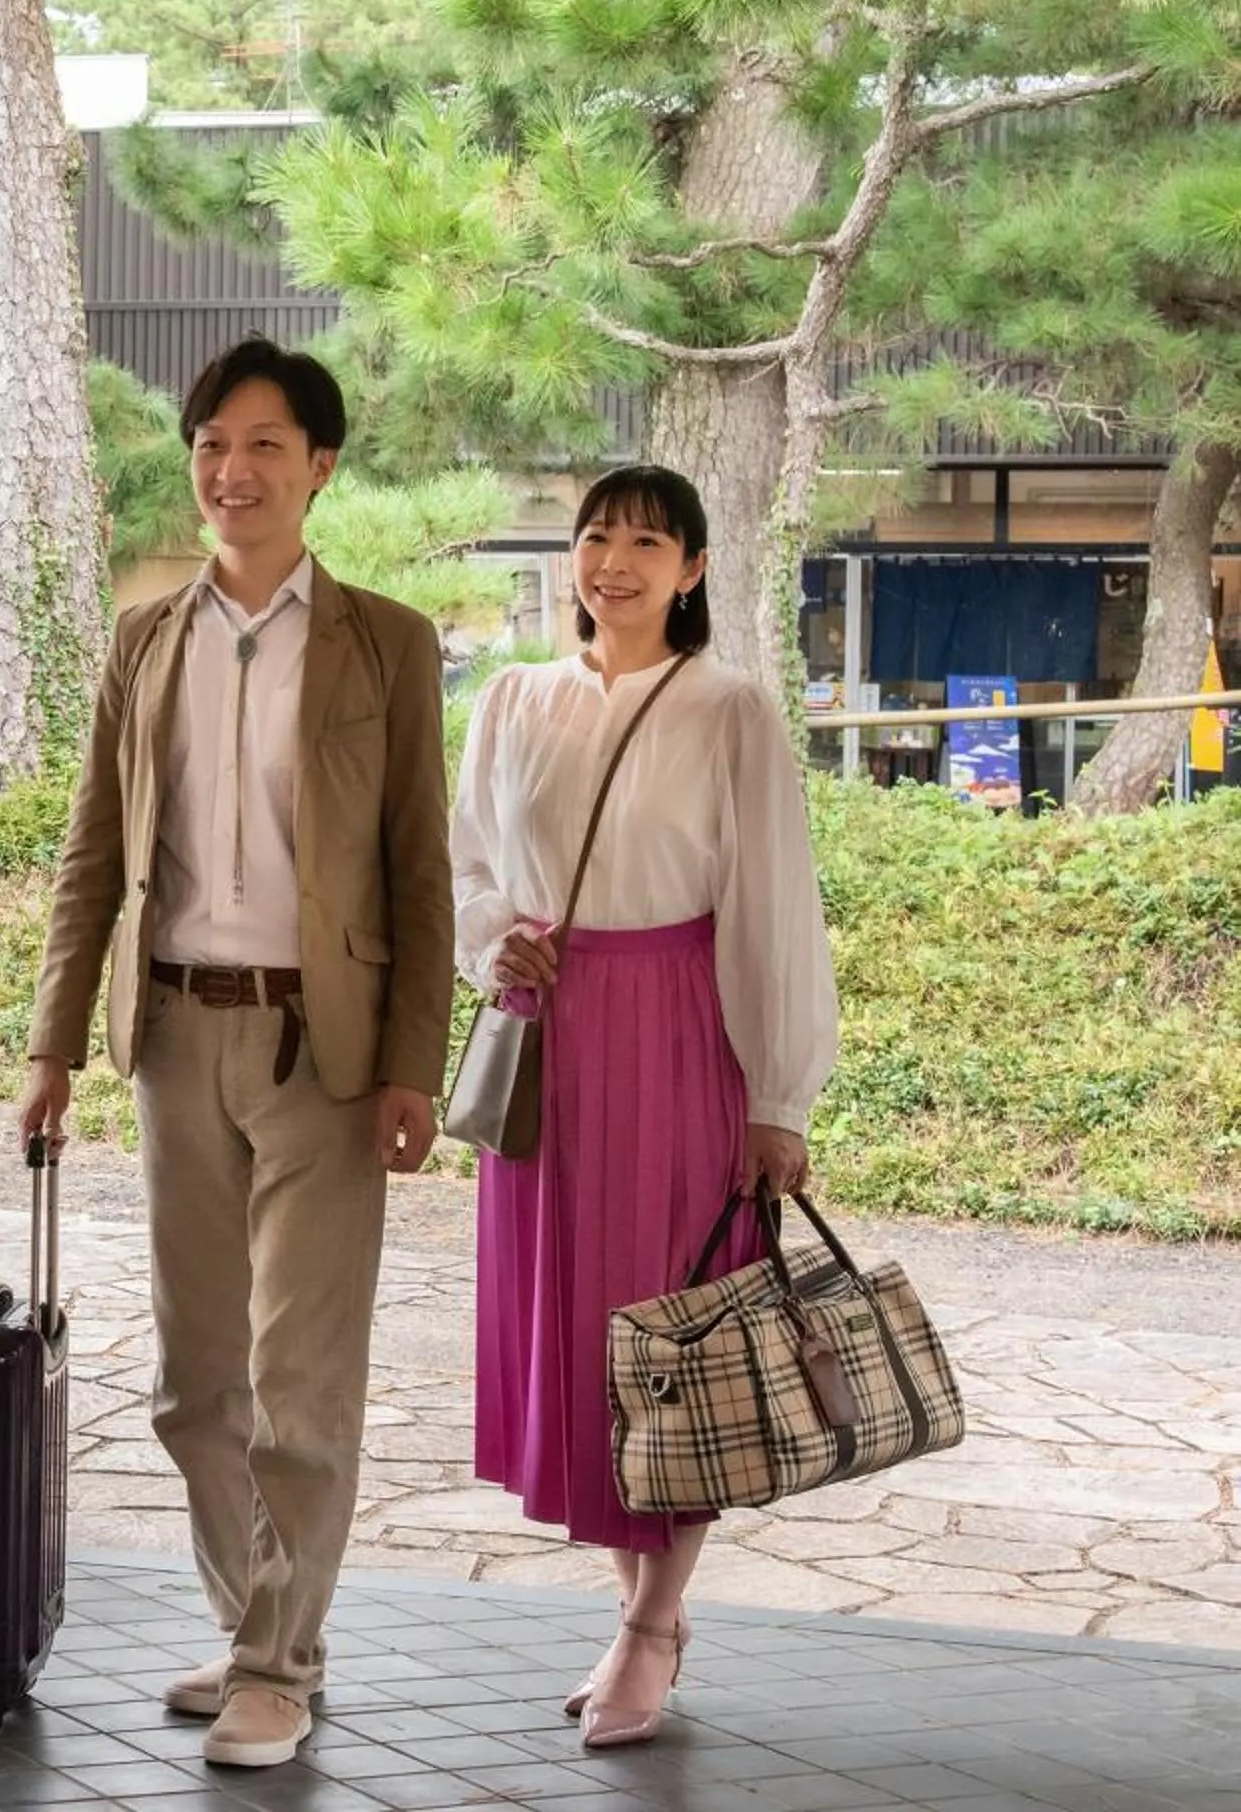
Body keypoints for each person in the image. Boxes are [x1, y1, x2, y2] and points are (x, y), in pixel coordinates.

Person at [22, 336, 455, 1769]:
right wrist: (50, 1049)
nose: (234, 469)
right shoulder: (145, 638)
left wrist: (412, 1067)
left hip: (319, 1048)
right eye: (213, 442)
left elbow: (418, 871)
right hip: (170, 1037)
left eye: (267, 444)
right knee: (194, 1383)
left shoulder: (386, 642)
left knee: (299, 1378)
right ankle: (255, 1624)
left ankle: (280, 1661)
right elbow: (93, 858)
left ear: (321, 467)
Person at [452, 464, 838, 1750]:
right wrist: (494, 935)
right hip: (543, 1041)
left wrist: (777, 1089)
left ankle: (654, 1620)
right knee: (576, 1332)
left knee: (673, 1333)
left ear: (694, 569)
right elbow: (461, 862)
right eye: (596, 535)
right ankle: (635, 1613)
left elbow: (773, 898)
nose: (614, 558)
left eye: (647, 539)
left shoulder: (729, 707)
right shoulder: (512, 698)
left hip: (677, 1032)